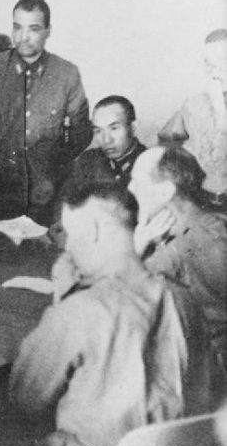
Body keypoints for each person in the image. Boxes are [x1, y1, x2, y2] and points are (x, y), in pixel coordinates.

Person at [10, 183, 217, 446]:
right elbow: (213, 392)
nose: (69, 246)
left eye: (71, 234)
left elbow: (23, 401)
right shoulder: (184, 298)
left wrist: (62, 304)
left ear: (95, 229)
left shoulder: (78, 311)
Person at [0, 0, 91, 225]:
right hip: (0, 190)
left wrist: (51, 169)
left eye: (33, 29)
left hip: (47, 194)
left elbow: (81, 133)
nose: (23, 37)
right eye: (17, 27)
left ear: (48, 31)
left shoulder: (67, 74)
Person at [129, 146, 227, 368]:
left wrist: (137, 245)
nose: (130, 187)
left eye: (137, 181)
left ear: (165, 191)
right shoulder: (190, 227)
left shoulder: (205, 242)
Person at [49, 95, 147, 246]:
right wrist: (60, 225)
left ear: (133, 128)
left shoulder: (152, 166)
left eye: (114, 128)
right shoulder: (89, 161)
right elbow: (64, 201)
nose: (106, 140)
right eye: (98, 131)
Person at [158, 29, 227, 209]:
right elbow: (166, 141)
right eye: (208, 64)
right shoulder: (194, 105)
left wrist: (220, 110)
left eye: (222, 62)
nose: (214, 72)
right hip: (205, 203)